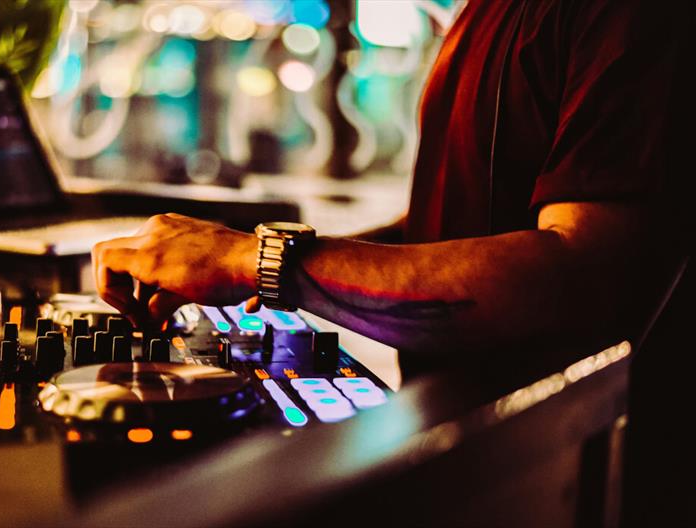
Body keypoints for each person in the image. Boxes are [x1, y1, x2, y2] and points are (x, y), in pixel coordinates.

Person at [95, 1, 695, 524]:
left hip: (578, 484)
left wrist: (258, 260)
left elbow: (580, 272)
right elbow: (450, 224)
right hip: (483, 465)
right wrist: (247, 259)